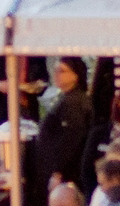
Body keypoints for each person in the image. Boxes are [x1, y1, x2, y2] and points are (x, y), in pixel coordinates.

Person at [36, 57, 96, 195]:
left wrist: (58, 173)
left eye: (61, 71)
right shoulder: (66, 98)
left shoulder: (74, 103)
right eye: (55, 70)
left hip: (67, 175)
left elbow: (71, 140)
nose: (56, 74)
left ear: (75, 75)